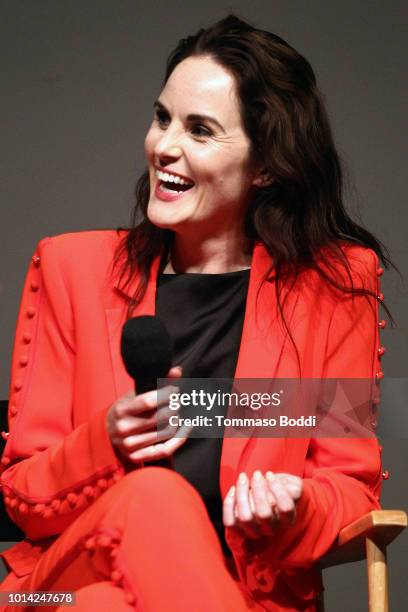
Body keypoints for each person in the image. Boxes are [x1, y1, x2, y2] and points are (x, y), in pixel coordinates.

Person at [0, 14, 390, 612]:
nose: (163, 146)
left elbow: (350, 491)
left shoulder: (329, 290)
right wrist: (104, 441)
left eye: (200, 130)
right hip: (58, 587)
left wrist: (296, 505)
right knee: (152, 499)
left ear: (264, 166)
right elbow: (22, 494)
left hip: (218, 595)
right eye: (162, 119)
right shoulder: (73, 271)